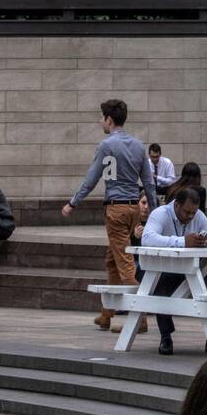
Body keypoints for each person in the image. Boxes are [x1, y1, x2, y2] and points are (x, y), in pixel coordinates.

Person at [62, 99, 156, 331]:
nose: (100, 121)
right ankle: (106, 314)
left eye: (102, 118)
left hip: (115, 209)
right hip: (134, 207)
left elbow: (92, 178)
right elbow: (148, 181)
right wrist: (153, 206)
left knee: (125, 265)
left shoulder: (106, 145)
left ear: (109, 120)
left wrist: (73, 203)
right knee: (112, 260)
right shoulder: (137, 145)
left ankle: (140, 319)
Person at [142, 187, 207, 356]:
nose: (190, 217)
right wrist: (182, 241)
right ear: (176, 205)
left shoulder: (197, 215)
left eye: (193, 213)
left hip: (190, 269)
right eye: (186, 212)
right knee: (162, 288)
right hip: (163, 269)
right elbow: (147, 238)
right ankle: (166, 336)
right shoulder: (160, 214)